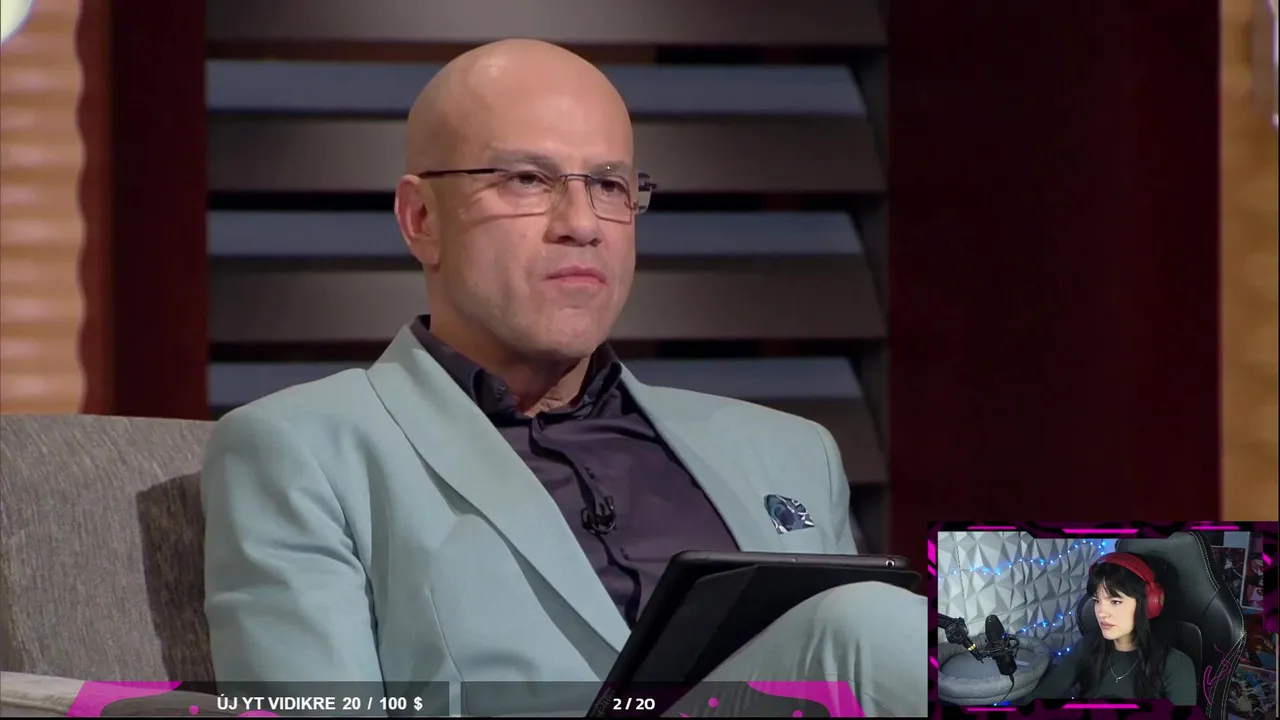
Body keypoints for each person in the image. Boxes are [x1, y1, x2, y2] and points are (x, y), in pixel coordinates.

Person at [201, 38, 926, 717]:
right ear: (421, 218)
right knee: (871, 624)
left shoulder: (789, 452)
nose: (582, 222)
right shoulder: (303, 449)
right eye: (527, 179)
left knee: (977, 609)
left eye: (609, 184)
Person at [1025, 553, 1196, 706]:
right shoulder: (1088, 645)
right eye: (1096, 600)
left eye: (1115, 601)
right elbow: (1041, 696)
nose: (1101, 612)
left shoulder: (1176, 665)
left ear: (1148, 605)